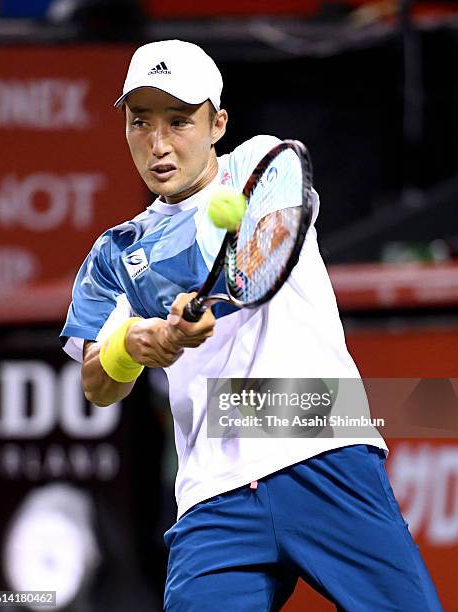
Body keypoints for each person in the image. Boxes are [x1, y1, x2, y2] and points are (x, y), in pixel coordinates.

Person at [60, 40, 442, 611]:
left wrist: (177, 319)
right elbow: (97, 385)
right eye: (141, 122)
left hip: (320, 446)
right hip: (213, 492)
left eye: (179, 121)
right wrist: (134, 343)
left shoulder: (259, 167)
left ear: (218, 124)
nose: (159, 144)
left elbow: (248, 268)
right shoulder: (113, 255)